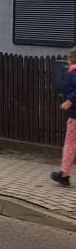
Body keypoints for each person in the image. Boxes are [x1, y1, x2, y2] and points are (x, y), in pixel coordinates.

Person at [52, 46, 76, 186]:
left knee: (70, 144)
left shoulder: (73, 73)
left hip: (74, 115)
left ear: (71, 59)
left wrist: (69, 102)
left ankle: (64, 174)